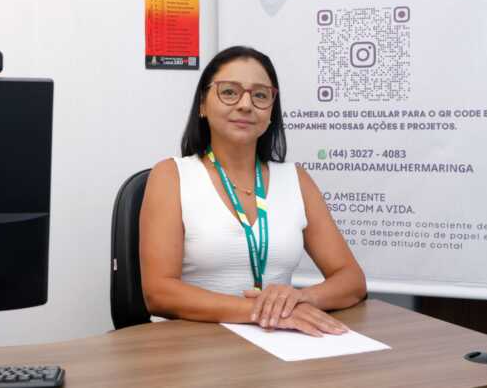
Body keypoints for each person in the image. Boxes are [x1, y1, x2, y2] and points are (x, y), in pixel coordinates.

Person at [139, 46, 367, 336]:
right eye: (229, 92)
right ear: (203, 105)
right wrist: (260, 312)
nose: (246, 104)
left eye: (260, 95)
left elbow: (352, 280)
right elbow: (159, 293)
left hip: (281, 343)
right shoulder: (171, 175)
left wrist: (301, 298)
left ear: (271, 111)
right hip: (191, 345)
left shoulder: (295, 179)